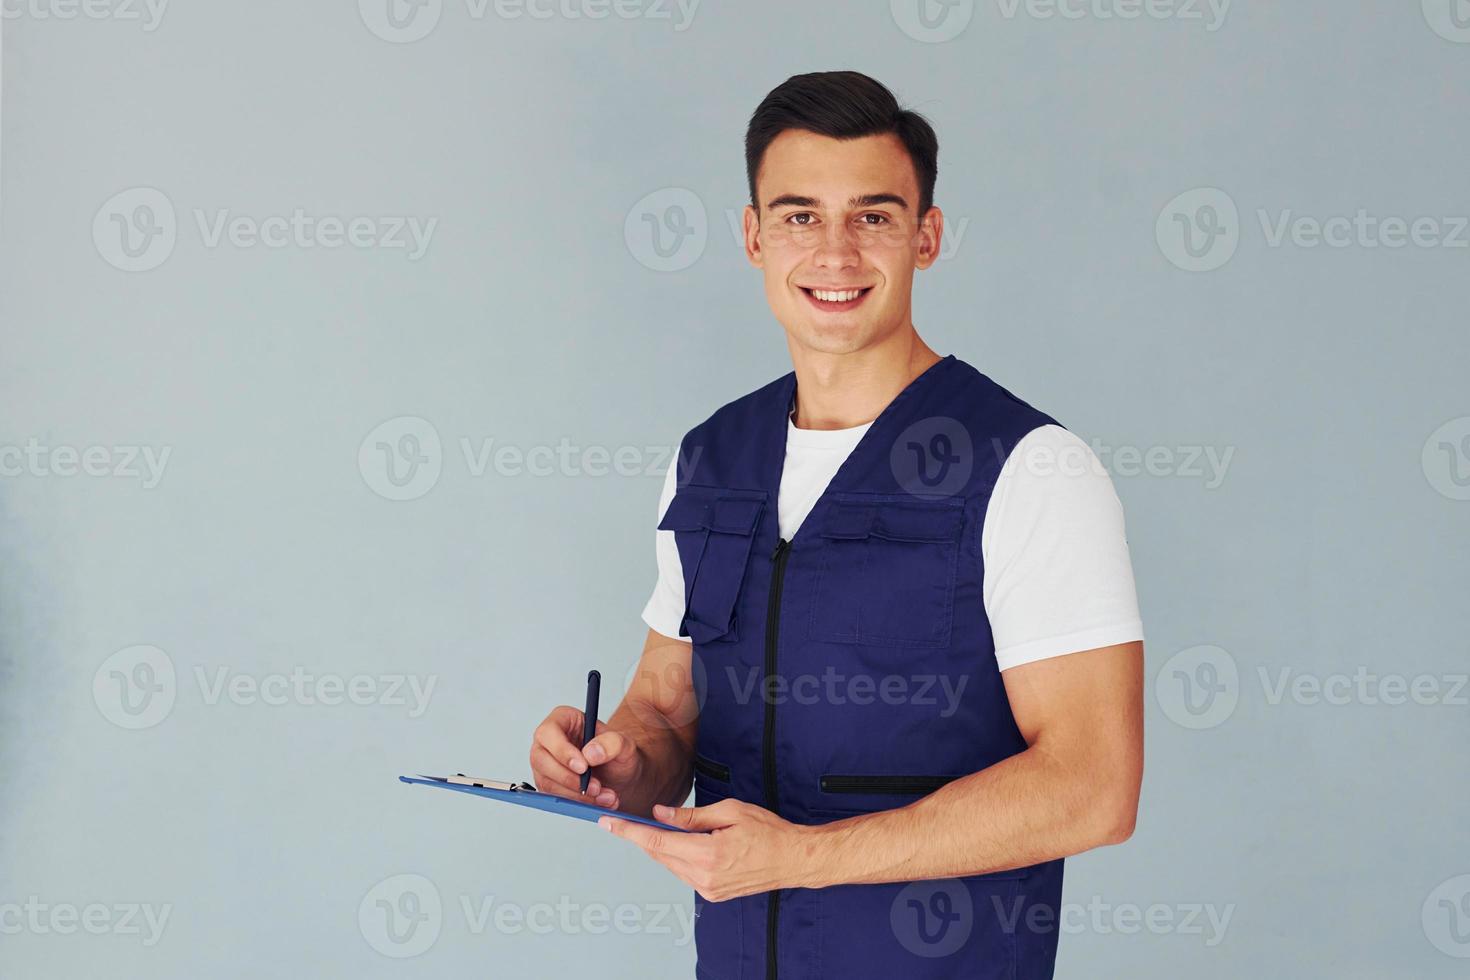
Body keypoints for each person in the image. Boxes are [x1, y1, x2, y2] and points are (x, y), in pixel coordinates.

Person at [528, 70, 1145, 979]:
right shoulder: (712, 458)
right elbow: (665, 704)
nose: (836, 253)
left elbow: (1093, 788)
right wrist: (618, 767)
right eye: (800, 215)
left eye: (874, 216)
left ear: (926, 236)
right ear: (754, 236)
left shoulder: (1031, 468)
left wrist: (803, 859)